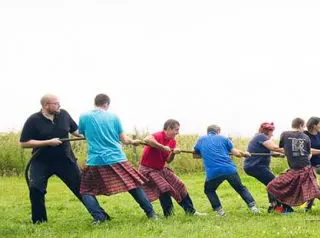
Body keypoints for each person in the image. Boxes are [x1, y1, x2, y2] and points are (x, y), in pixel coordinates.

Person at [19, 94, 105, 223]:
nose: (59, 105)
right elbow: (24, 143)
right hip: (41, 161)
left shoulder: (64, 114)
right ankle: (39, 221)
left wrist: (92, 135)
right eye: (56, 103)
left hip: (65, 160)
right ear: (46, 105)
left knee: (81, 187)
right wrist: (48, 142)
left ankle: (101, 216)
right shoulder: (33, 120)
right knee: (36, 189)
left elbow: (76, 131)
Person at [78, 94, 156, 222]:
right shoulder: (113, 116)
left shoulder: (84, 116)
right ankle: (151, 214)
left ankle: (99, 218)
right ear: (106, 104)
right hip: (117, 157)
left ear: (95, 103)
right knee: (134, 185)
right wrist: (133, 141)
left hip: (95, 159)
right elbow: (124, 139)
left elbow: (81, 133)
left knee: (86, 190)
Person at [267, 118, 320, 210]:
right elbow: (309, 153)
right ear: (300, 125)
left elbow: (283, 148)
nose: (304, 129)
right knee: (315, 190)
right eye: (303, 126)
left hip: (299, 169)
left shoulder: (284, 134)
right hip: (304, 168)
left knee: (271, 186)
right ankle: (277, 207)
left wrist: (287, 153)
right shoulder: (306, 137)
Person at [140, 119, 202, 217]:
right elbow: (147, 139)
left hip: (161, 169)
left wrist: (173, 153)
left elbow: (168, 160)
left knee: (180, 185)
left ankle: (191, 211)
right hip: (148, 169)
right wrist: (162, 147)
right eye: (176, 130)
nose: (178, 132)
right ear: (169, 128)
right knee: (164, 188)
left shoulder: (172, 142)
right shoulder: (158, 135)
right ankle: (169, 215)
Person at [193, 124, 259, 216]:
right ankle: (253, 208)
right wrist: (245, 154)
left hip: (214, 172)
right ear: (218, 131)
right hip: (229, 169)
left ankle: (220, 212)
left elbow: (195, 153)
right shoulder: (224, 139)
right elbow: (237, 153)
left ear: (207, 132)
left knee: (209, 190)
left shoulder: (201, 140)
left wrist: (206, 153)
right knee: (240, 188)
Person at [243, 122, 288, 213]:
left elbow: (270, 151)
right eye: (272, 132)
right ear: (267, 131)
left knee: (270, 184)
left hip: (254, 166)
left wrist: (279, 155)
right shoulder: (261, 137)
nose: (272, 134)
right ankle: (279, 208)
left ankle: (273, 206)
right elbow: (274, 148)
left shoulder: (259, 137)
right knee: (274, 183)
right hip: (256, 166)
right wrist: (290, 151)